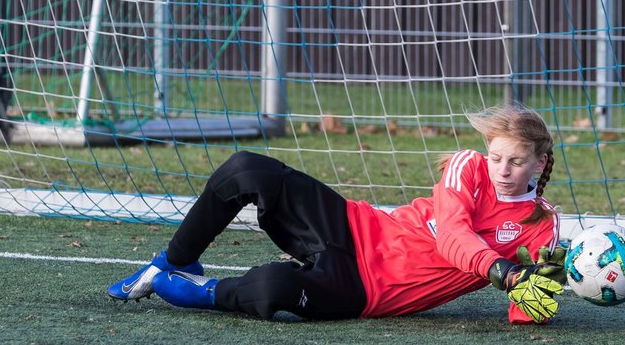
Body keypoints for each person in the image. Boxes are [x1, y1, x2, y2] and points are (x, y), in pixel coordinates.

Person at [107, 104, 568, 324]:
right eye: (497, 158)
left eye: (516, 161)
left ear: (539, 163)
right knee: (247, 169)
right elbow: (451, 235)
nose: (503, 171)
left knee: (273, 288)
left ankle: (206, 293)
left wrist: (540, 296)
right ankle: (177, 259)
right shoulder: (469, 166)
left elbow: (525, 311)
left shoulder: (541, 227)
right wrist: (505, 272)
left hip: (368, 291)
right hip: (354, 226)